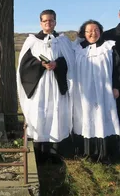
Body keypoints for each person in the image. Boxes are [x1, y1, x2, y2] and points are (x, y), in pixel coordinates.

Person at [16, 9, 75, 164]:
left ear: (55, 22)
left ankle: (56, 152)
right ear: (40, 22)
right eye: (45, 21)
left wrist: (57, 64)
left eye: (51, 20)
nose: (48, 23)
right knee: (40, 113)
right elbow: (24, 64)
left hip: (56, 85)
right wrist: (40, 64)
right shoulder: (32, 41)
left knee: (57, 112)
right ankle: (39, 152)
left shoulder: (63, 40)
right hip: (40, 86)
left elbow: (70, 62)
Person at [73, 20, 120, 163]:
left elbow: (117, 69)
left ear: (100, 31)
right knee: (87, 117)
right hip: (84, 92)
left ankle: (105, 153)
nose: (93, 33)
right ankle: (88, 152)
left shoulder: (109, 47)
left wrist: (116, 87)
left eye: (96, 30)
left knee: (104, 117)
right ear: (84, 33)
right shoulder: (78, 49)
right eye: (89, 31)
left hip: (104, 91)